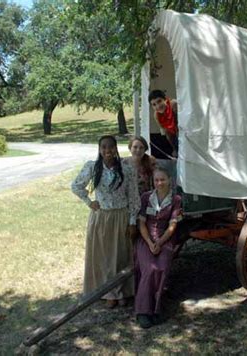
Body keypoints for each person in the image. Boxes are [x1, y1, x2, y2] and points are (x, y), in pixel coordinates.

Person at [71, 135, 140, 308]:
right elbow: (76, 185)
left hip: (121, 216)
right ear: (99, 149)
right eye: (103, 147)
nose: (107, 151)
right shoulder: (93, 167)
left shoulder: (126, 168)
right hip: (101, 217)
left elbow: (134, 197)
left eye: (110, 147)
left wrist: (132, 222)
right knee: (104, 257)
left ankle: (122, 291)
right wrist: (89, 202)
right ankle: (109, 293)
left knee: (121, 255)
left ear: (116, 148)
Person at [134, 167, 182, 328]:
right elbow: (141, 223)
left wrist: (160, 243)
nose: (159, 183)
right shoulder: (146, 197)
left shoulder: (176, 199)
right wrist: (149, 242)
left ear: (169, 180)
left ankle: (156, 309)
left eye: (162, 179)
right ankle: (143, 311)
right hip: (146, 238)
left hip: (165, 239)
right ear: (152, 181)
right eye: (156, 180)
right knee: (149, 269)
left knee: (162, 267)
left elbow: (172, 226)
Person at [149, 89, 178, 157]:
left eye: (159, 101)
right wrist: (174, 149)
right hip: (175, 137)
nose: (158, 106)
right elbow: (168, 133)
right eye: (154, 104)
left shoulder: (173, 104)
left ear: (165, 99)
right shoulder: (157, 115)